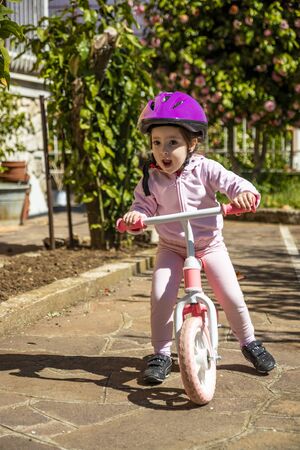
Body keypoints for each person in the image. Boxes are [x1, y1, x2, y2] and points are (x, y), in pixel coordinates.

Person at [122, 91, 276, 384]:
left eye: (172, 143)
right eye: (157, 143)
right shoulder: (151, 178)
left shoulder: (206, 168)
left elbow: (232, 183)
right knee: (160, 296)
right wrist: (135, 216)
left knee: (231, 295)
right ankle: (161, 353)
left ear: (192, 143)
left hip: (209, 245)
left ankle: (249, 342)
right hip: (171, 246)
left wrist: (244, 194)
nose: (163, 151)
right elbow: (143, 205)